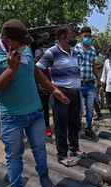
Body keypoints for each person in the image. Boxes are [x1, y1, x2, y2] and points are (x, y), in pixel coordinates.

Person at [0, 19, 68, 187]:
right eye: (20, 43)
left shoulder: (26, 51)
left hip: (35, 112)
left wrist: (53, 89)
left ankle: (44, 178)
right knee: (14, 156)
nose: (24, 47)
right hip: (11, 117)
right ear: (6, 41)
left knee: (40, 149)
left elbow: (37, 74)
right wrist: (11, 69)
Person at [36, 25, 84, 166]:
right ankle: (62, 155)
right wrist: (52, 88)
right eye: (72, 36)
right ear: (63, 38)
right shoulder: (52, 52)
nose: (75, 39)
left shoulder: (74, 52)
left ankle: (74, 148)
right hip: (60, 95)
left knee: (75, 124)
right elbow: (37, 70)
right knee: (61, 126)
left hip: (75, 94)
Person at [74, 27, 101, 139]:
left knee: (90, 109)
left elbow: (93, 65)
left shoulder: (92, 50)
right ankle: (78, 129)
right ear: (81, 36)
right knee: (78, 110)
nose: (87, 38)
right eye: (85, 36)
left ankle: (88, 128)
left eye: (89, 36)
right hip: (79, 83)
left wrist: (98, 80)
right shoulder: (75, 49)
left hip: (90, 84)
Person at [34, 42, 52, 137]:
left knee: (57, 107)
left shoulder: (55, 57)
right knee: (44, 107)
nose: (45, 49)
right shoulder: (37, 59)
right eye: (44, 47)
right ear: (40, 48)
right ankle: (47, 127)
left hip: (55, 85)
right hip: (43, 86)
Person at [100, 47, 111, 130]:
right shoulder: (107, 62)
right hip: (109, 88)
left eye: (108, 54)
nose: (106, 56)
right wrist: (102, 86)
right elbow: (104, 75)